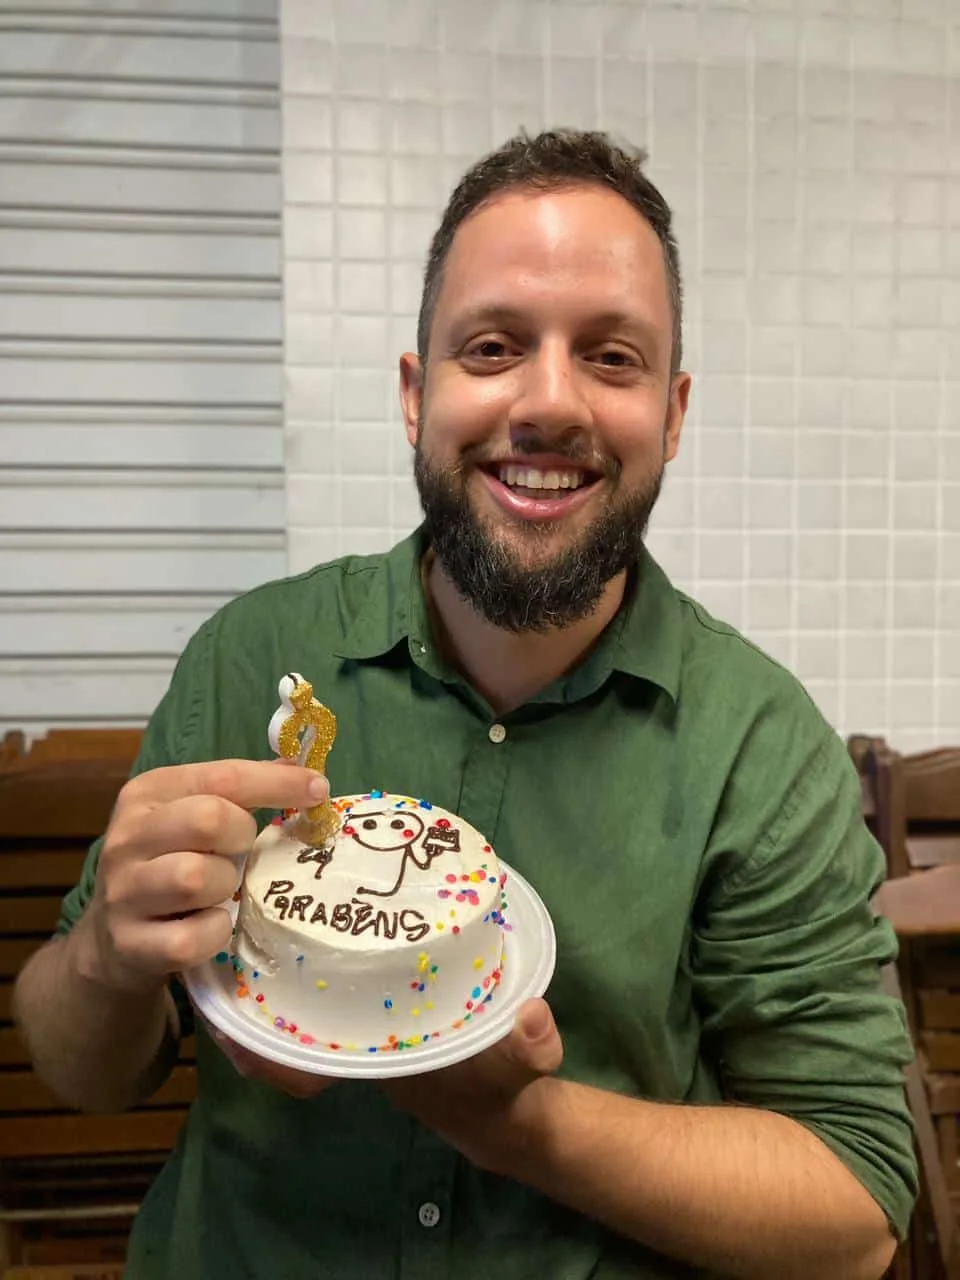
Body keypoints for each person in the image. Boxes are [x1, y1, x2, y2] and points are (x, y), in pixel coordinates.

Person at [14, 129, 916, 1280]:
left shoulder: (760, 745)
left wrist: (510, 1122)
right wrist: (104, 954)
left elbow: (853, 1213)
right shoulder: (253, 659)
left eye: (612, 357)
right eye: (493, 346)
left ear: (675, 413)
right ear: (414, 392)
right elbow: (80, 1068)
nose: (548, 402)